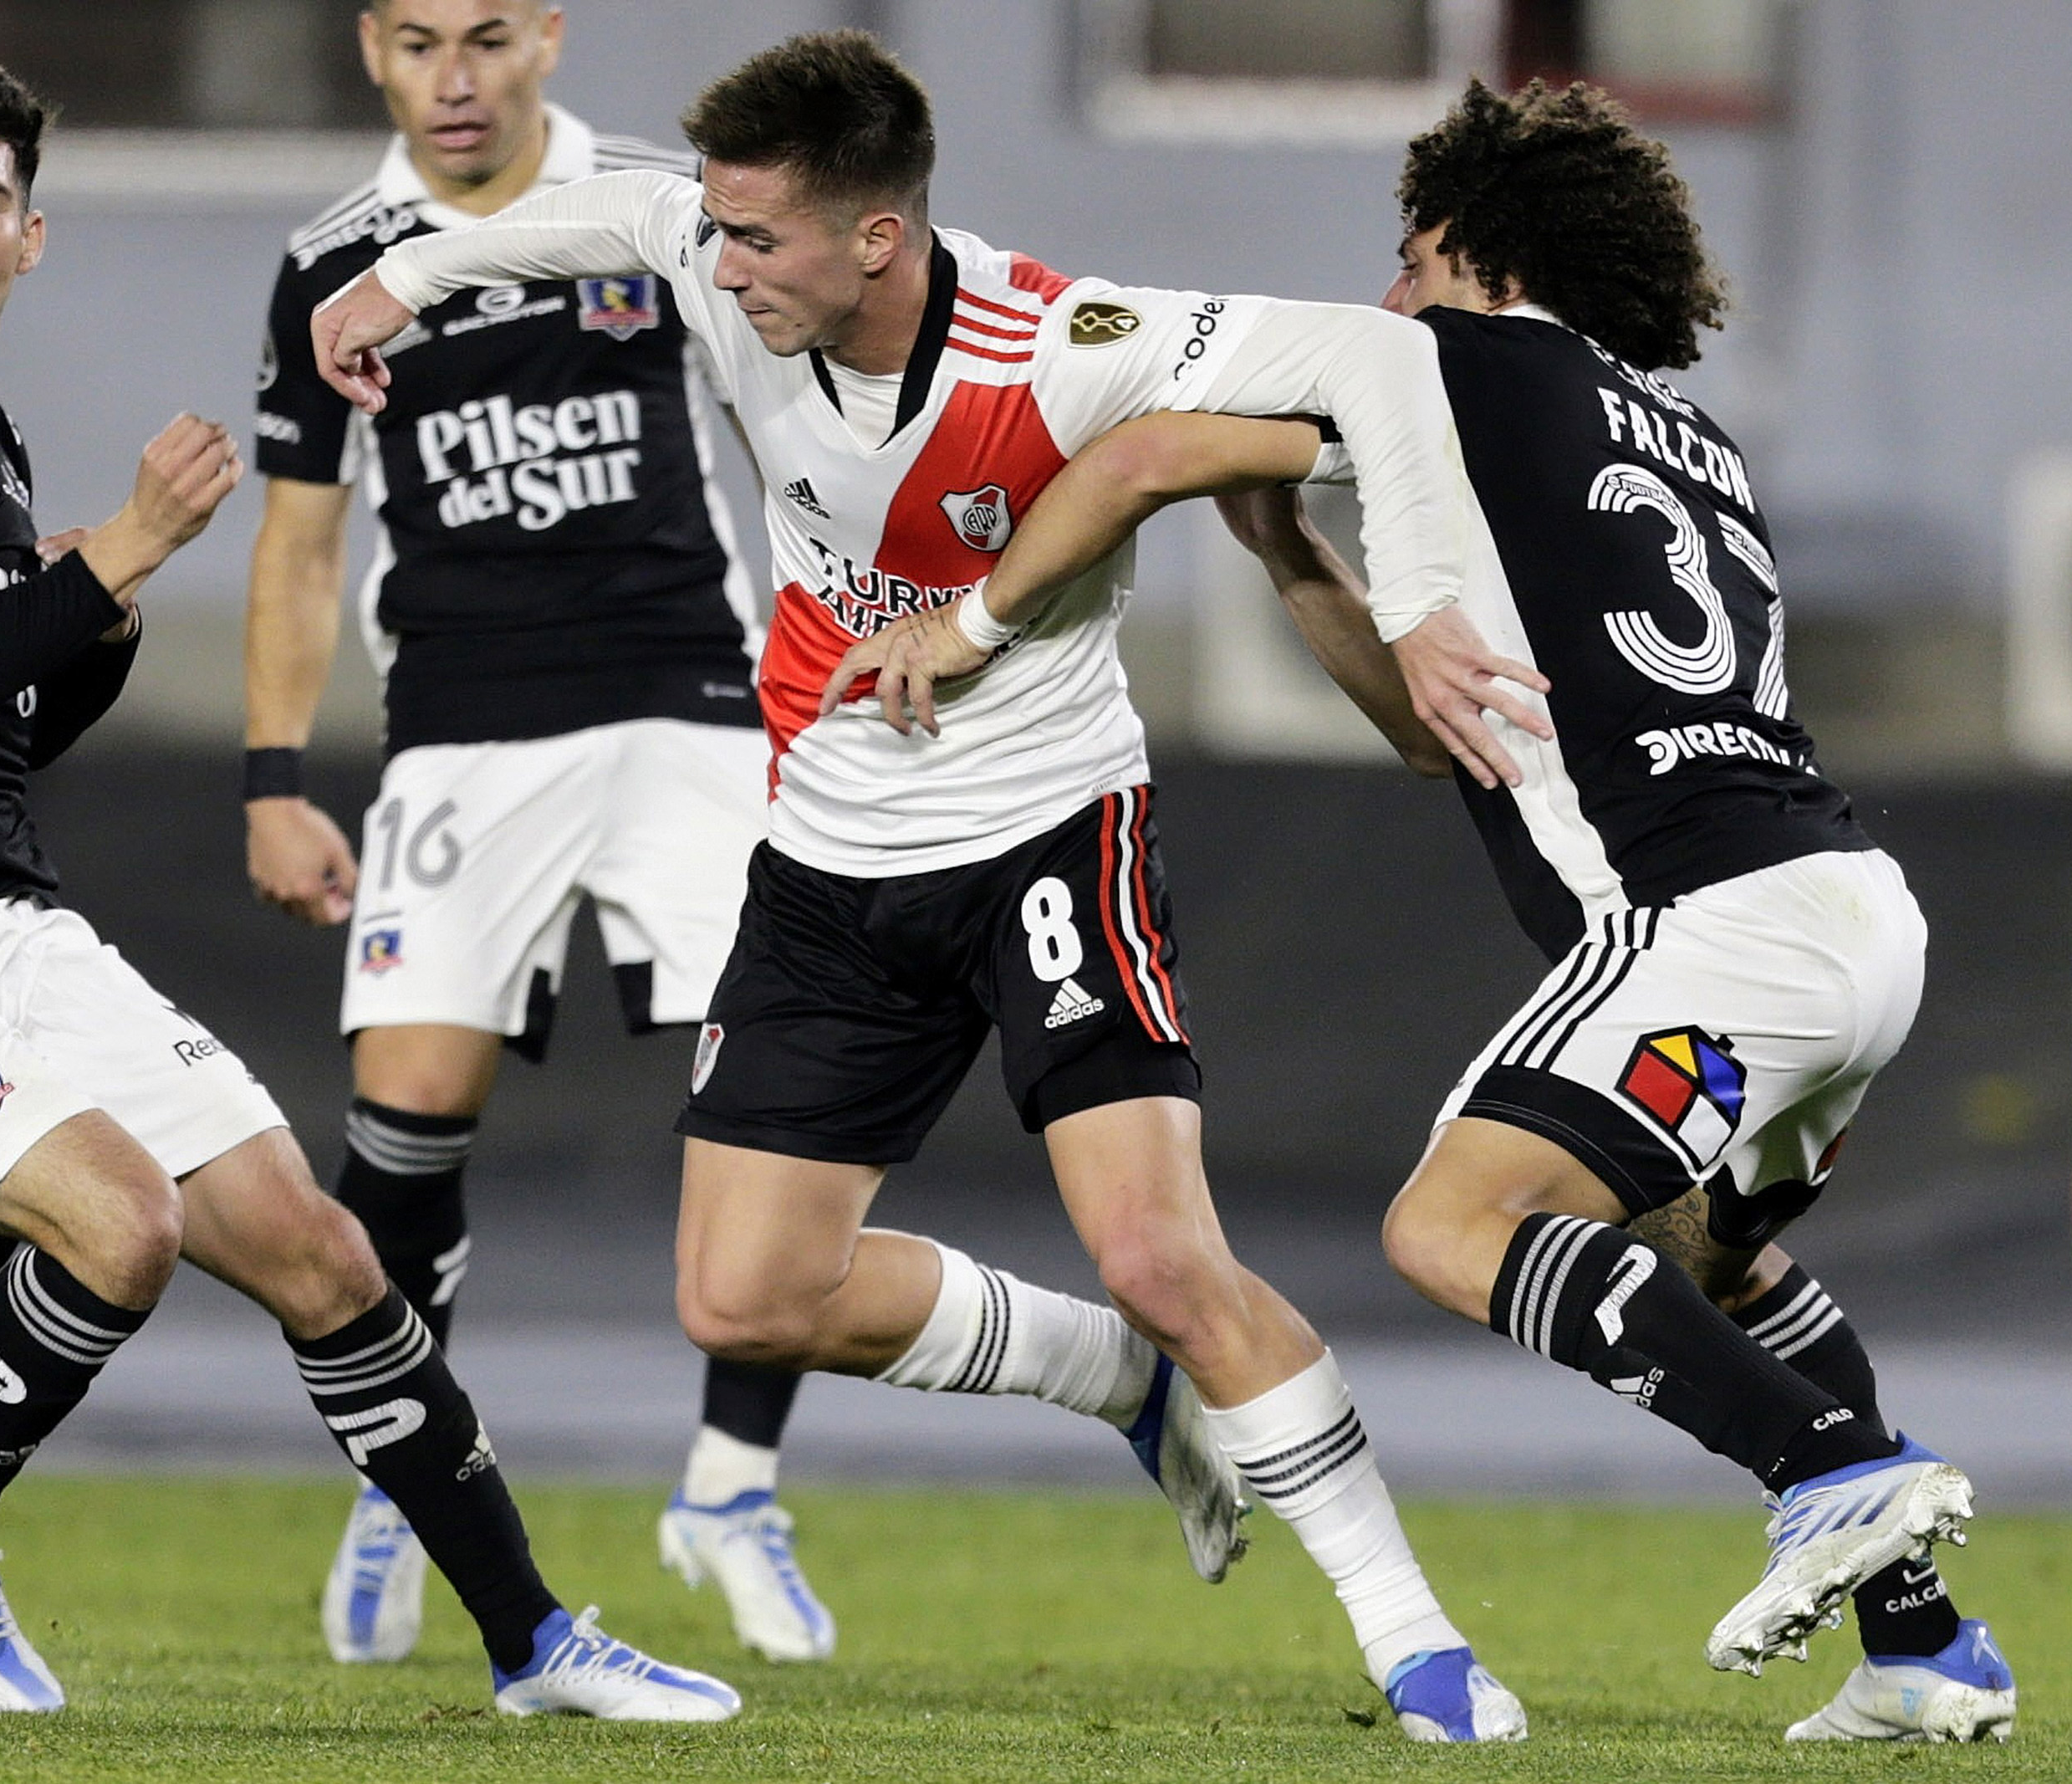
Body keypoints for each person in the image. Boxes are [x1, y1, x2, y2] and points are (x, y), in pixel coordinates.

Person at [313, 31, 1528, 1741]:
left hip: (1046, 830)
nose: (719, 269)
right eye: (719, 235)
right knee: (741, 1296)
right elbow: (586, 218)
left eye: (758, 242)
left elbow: (1368, 364)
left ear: (874, 236)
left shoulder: (1067, 340)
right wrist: (410, 272)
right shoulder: (717, 258)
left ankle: (1416, 1637)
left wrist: (1418, 606)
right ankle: (1114, 1377)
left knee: (1164, 1253)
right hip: (827, 843)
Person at [883, 79, 2007, 1746]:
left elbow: (1138, 452)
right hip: (1851, 917)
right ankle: (1926, 1649)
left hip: (1702, 917)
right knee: (1704, 1250)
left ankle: (1833, 1470)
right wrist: (1287, 553)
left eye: (1407, 257)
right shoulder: (1685, 438)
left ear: (1473, 251)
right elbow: (1441, 730)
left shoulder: (1444, 365)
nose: (1387, 295)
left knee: (1444, 1226)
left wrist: (961, 628)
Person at [0, 58, 735, 1723]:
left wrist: (85, 618)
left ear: (31, 238)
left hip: (2, 925)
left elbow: (5, 720)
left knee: (321, 1248)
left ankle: (536, 1638)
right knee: (123, 1224)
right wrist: (121, 554)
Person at [242, 0, 834, 1665]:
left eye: (489, 34)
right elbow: (300, 542)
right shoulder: (332, 260)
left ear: (549, 40)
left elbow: (785, 438)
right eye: (420, 38)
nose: (455, 74)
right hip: (457, 732)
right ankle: (405, 1471)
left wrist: (832, 654)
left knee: (786, 1085)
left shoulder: (663, 210)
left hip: (683, 710)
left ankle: (729, 1481)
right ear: (371, 49)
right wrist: (272, 775)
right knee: (403, 1122)